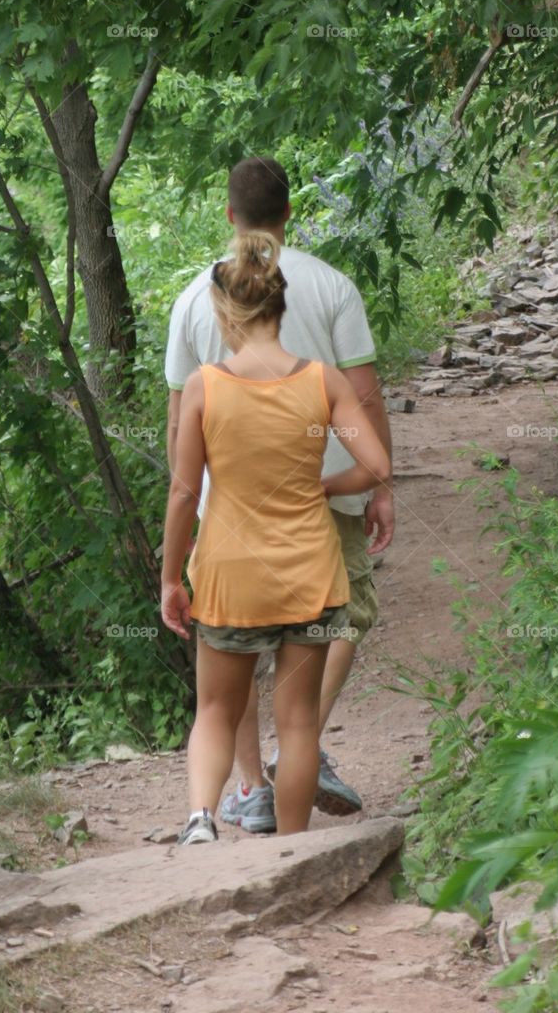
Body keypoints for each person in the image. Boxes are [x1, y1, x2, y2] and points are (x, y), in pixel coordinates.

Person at [165, 156, 395, 833]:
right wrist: (369, 489)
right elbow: (367, 395)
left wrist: (174, 552)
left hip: (227, 517)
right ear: (288, 212)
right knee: (327, 648)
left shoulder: (193, 300)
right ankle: (297, 797)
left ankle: (240, 789)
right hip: (316, 513)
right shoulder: (330, 289)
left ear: (229, 214)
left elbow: (179, 432)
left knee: (222, 678)